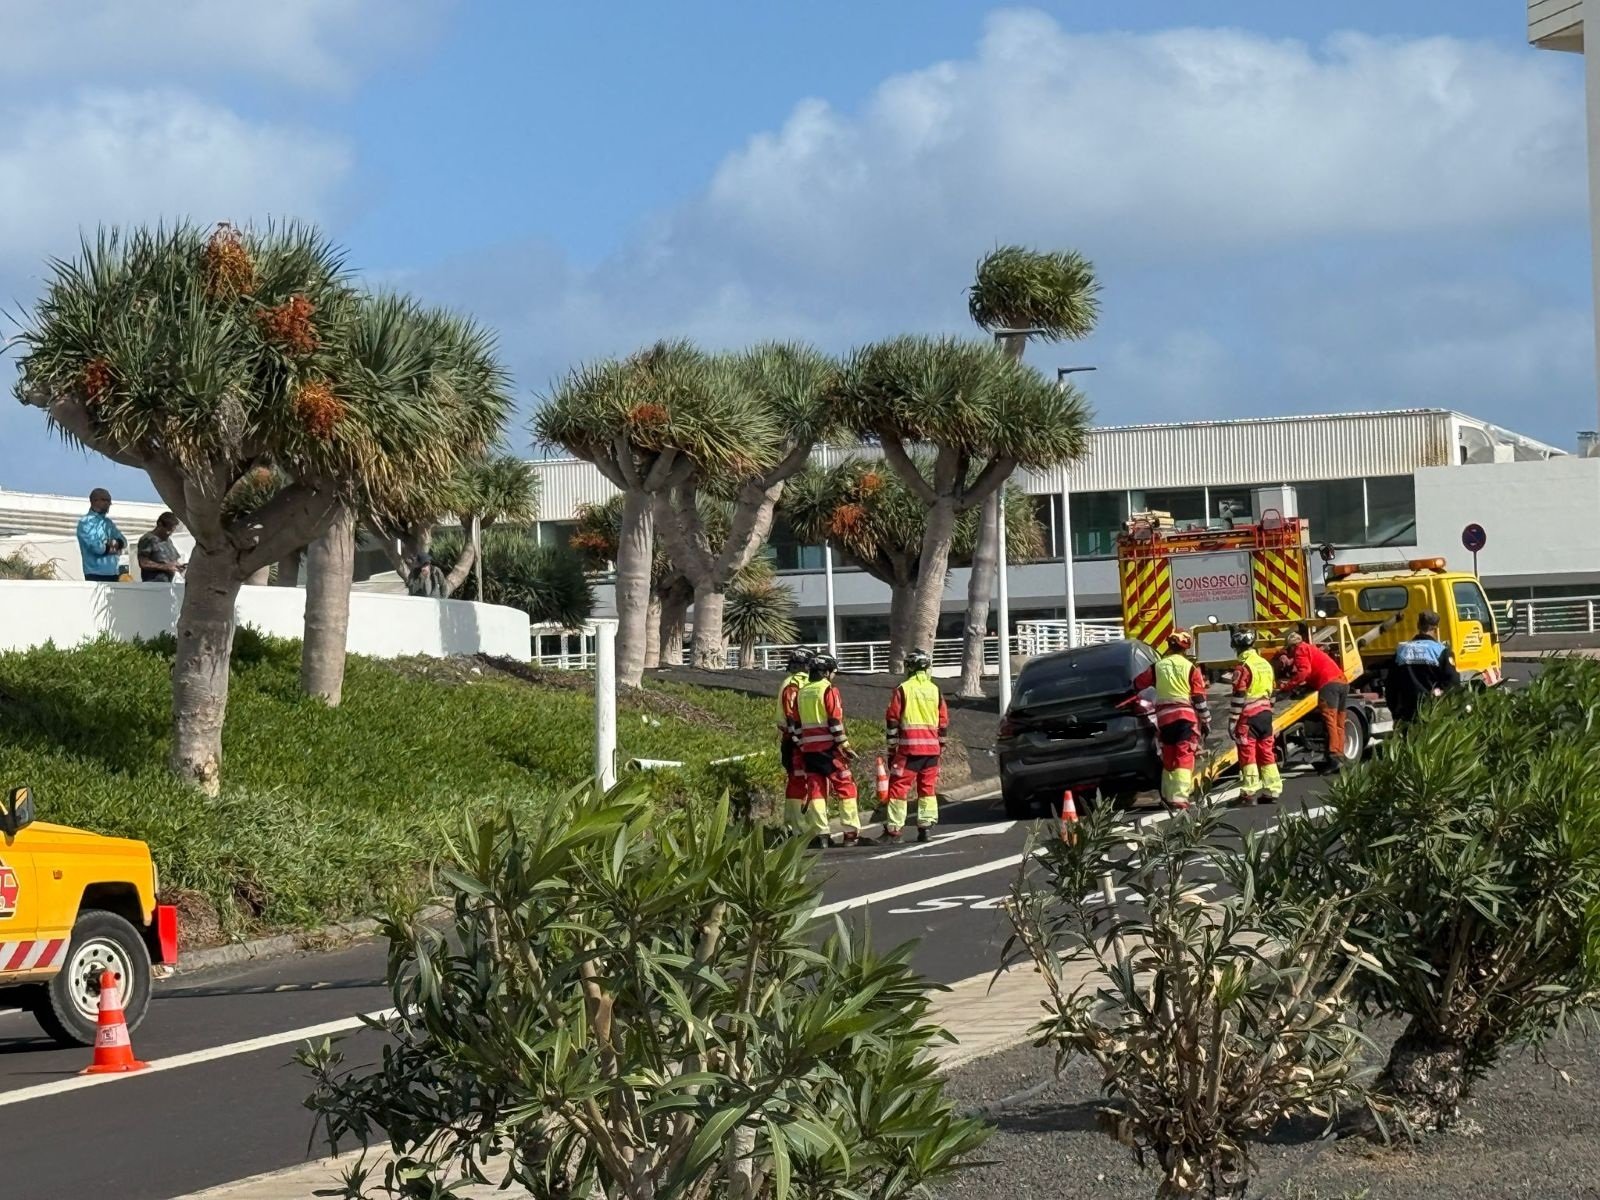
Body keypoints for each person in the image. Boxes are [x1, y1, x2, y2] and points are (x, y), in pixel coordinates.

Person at [1133, 630, 1210, 809]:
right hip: (1186, 717)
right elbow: (1199, 698)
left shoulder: (1157, 666)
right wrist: (1206, 720)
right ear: (1187, 647)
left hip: (1164, 719)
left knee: (1169, 756)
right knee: (1184, 756)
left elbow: (1138, 683)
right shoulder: (1191, 668)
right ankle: (1180, 798)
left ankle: (1167, 796)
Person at [794, 653, 861, 849]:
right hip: (830, 750)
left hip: (809, 750)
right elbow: (834, 721)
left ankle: (822, 834)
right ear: (827, 672)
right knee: (845, 787)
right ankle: (850, 833)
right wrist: (845, 746)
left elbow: (796, 724)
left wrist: (803, 745)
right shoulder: (828, 690)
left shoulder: (802, 692)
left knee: (816, 791)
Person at [884, 648, 949, 843]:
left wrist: (891, 748)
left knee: (898, 787)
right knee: (927, 789)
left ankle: (894, 830)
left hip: (909, 750)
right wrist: (941, 746)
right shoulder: (934, 689)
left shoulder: (903, 689)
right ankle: (926, 828)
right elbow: (943, 721)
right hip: (931, 750)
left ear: (909, 668)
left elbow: (892, 720)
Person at [1275, 628, 1347, 772]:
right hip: (1342, 683)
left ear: (1291, 646)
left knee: (1330, 720)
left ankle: (1333, 757)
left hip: (1328, 685)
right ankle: (1339, 754)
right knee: (1339, 721)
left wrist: (1289, 685)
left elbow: (1304, 671)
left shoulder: (1300, 650)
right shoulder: (1310, 648)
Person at [1229, 627, 1282, 804]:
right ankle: (1272, 791)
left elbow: (1239, 696)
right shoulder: (1265, 664)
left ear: (1235, 646)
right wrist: (1269, 711)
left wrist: (1232, 721)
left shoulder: (1243, 667)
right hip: (1265, 715)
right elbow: (1273, 690)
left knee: (1248, 754)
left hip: (1248, 717)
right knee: (1267, 752)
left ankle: (1249, 793)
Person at [1387, 611, 1460, 728]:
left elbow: (1391, 686)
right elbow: (1453, 684)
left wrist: (1395, 712)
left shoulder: (1401, 651)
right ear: (1436, 629)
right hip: (1433, 713)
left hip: (1407, 715)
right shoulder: (1440, 651)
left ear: (1418, 626)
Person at [777, 648, 815, 834]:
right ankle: (797, 826)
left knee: (798, 780)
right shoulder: (798, 684)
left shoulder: (788, 682)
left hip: (793, 738)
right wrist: (799, 740)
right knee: (801, 781)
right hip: (799, 739)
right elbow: (792, 715)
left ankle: (794, 824)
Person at [76, 488, 126, 582]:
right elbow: (98, 548)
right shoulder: (86, 523)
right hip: (95, 574)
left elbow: (124, 542)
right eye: (105, 500)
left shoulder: (108, 523)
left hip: (114, 573)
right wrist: (115, 547)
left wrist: (107, 544)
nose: (108, 504)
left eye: (109, 501)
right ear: (94, 501)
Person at [137, 512, 186, 583]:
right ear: (160, 524)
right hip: (153, 585)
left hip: (168, 585)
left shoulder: (168, 541)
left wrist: (180, 567)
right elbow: (143, 562)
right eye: (168, 530)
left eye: (172, 531)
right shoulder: (148, 539)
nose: (170, 533)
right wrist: (165, 567)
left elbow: (173, 561)